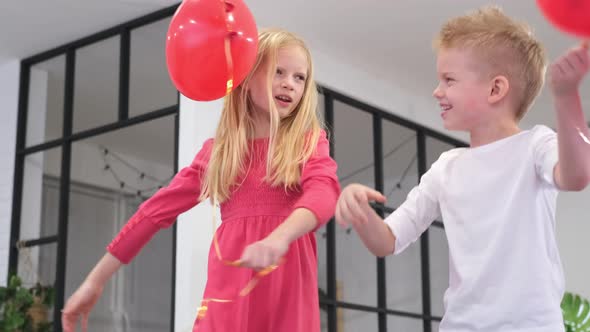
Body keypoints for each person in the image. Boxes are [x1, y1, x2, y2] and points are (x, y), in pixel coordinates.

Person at [62, 28, 340, 332]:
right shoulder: (219, 154)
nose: (289, 83)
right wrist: (95, 280)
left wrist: (281, 236)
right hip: (227, 299)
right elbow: (153, 213)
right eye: (278, 72)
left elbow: (324, 194)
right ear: (246, 79)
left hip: (287, 303)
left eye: (300, 77)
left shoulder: (309, 142)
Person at [335, 6, 590, 332]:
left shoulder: (536, 146)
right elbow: (387, 240)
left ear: (495, 89)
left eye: (449, 80)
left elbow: (577, 176)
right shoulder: (446, 168)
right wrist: (363, 214)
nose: (436, 91)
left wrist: (567, 97)